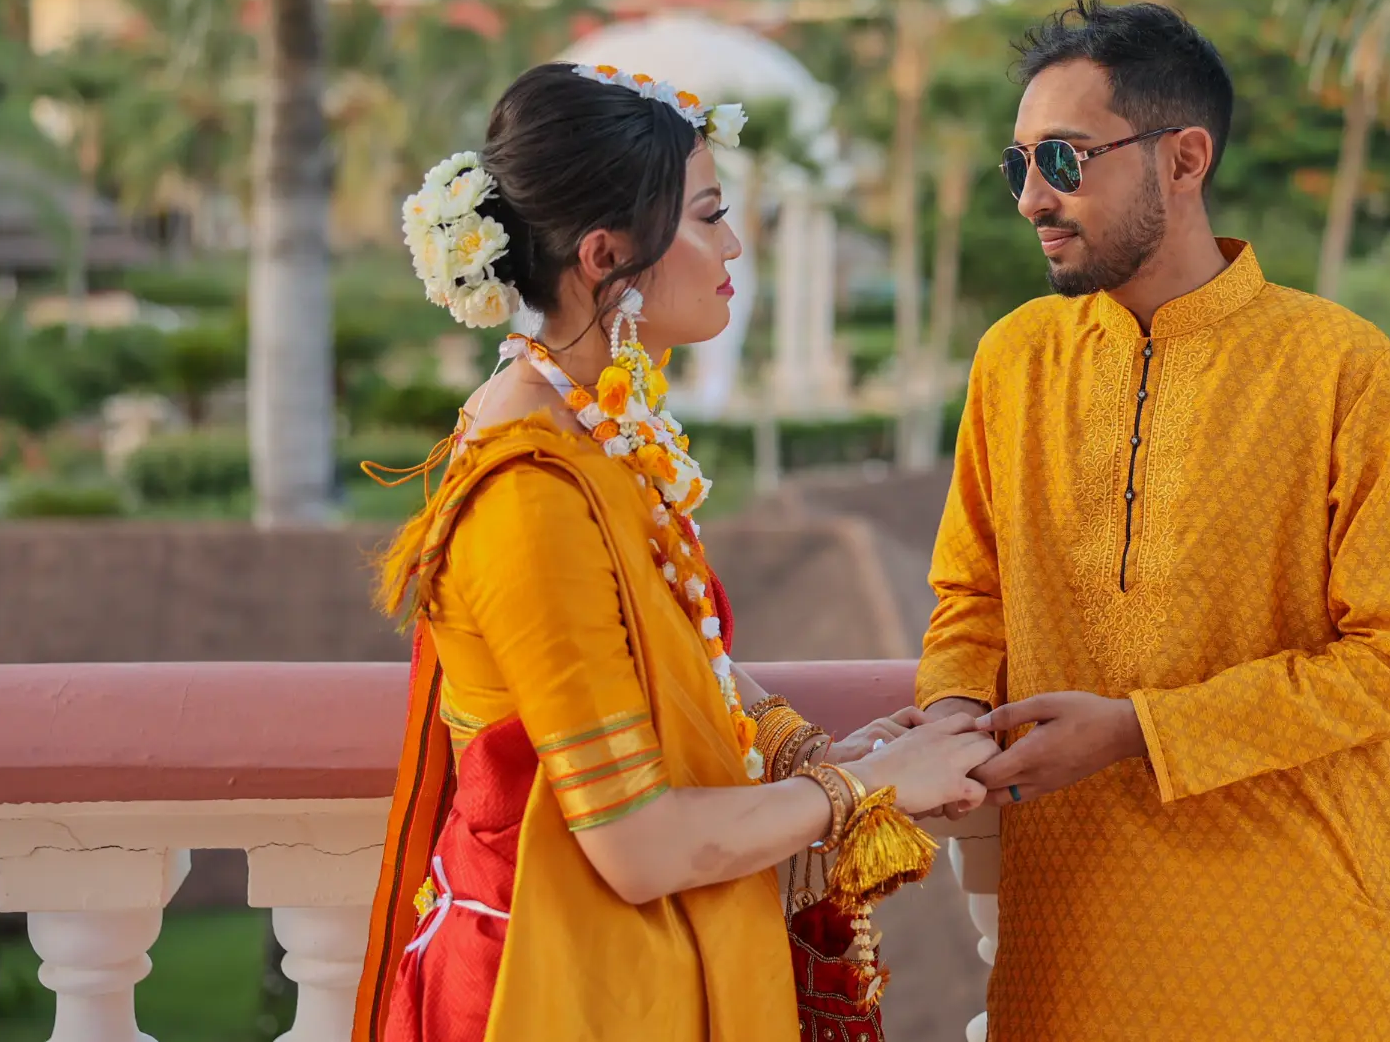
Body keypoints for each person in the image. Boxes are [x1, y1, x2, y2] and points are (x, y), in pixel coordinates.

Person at [354, 62, 999, 1042]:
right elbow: (636, 847)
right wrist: (865, 789)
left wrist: (800, 749)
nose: (733, 245)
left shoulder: (589, 423)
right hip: (549, 989)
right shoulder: (530, 488)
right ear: (608, 253)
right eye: (708, 215)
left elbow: (669, 657)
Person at [915, 0, 1390, 1039]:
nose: (1032, 198)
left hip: (1305, 959)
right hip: (1066, 959)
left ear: (1184, 158)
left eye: (1063, 161)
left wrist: (1139, 733)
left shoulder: (1338, 365)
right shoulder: (1013, 359)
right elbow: (970, 599)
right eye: (1017, 165)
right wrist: (948, 713)